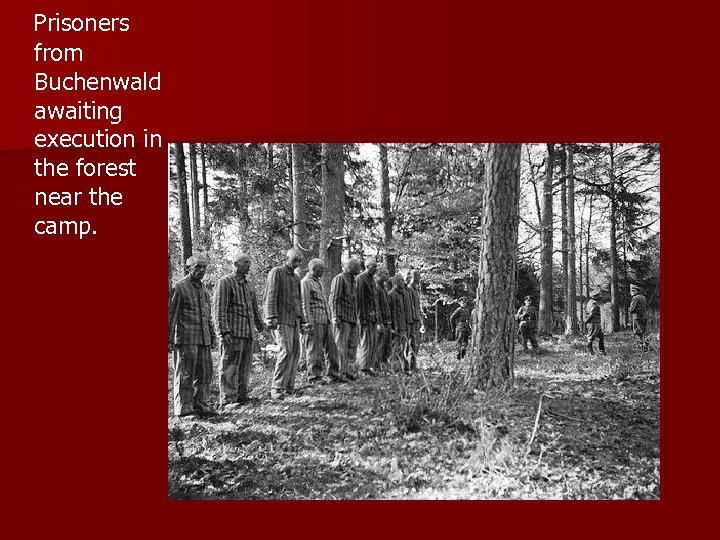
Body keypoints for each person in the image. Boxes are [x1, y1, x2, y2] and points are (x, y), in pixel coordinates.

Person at [212, 252, 266, 410]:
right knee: (230, 366)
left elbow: (254, 309)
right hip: (232, 333)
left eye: (249, 262)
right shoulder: (225, 282)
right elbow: (219, 309)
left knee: (245, 366)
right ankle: (228, 399)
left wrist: (261, 328)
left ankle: (242, 396)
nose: (249, 265)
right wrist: (223, 332)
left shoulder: (249, 284)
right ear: (235, 264)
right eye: (246, 262)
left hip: (248, 333)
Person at [168, 254, 217, 417]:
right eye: (197, 267)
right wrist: (168, 339)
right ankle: (184, 409)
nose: (201, 270)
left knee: (205, 373)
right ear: (188, 268)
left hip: (203, 339)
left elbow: (207, 315)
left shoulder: (203, 289)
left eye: (204, 267)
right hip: (185, 339)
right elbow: (170, 315)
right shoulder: (179, 287)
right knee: (185, 374)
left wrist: (212, 336)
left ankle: (200, 405)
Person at [264, 249, 305, 399]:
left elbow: (299, 301)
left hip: (294, 320)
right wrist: (270, 316)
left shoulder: (296, 277)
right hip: (280, 320)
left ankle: (289, 387)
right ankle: (276, 388)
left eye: (299, 261)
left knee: (295, 352)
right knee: (286, 351)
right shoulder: (277, 272)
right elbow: (270, 295)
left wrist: (303, 321)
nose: (297, 264)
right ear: (286, 259)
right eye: (294, 260)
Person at [301, 258, 344, 384]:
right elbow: (304, 303)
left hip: (325, 320)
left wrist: (329, 317)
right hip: (314, 321)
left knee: (332, 349)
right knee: (314, 350)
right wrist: (308, 323)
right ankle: (314, 377)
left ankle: (334, 375)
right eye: (321, 269)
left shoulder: (318, 282)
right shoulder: (305, 282)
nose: (323, 271)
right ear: (313, 269)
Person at [329, 258, 362, 381]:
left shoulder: (353, 281)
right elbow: (334, 298)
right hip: (342, 319)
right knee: (341, 347)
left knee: (352, 346)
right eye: (357, 266)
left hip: (352, 318)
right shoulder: (340, 278)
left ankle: (349, 371)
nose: (359, 269)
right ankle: (339, 373)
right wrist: (335, 316)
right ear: (350, 267)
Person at [356, 257, 379, 377]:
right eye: (373, 266)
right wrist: (361, 317)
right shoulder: (361, 278)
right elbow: (359, 299)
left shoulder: (372, 280)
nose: (375, 269)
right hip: (365, 317)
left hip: (373, 317)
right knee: (365, 342)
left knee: (372, 343)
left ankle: (369, 366)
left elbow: (374, 300)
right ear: (367, 266)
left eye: (376, 266)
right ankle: (363, 368)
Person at [387, 274, 408, 372]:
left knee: (401, 348)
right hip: (396, 327)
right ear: (395, 282)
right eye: (401, 281)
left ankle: (399, 369)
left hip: (403, 326)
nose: (403, 283)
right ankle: (394, 369)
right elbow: (391, 312)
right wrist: (393, 326)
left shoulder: (402, 294)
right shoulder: (391, 294)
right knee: (395, 349)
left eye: (403, 281)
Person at [373, 266, 392, 372]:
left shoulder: (383, 288)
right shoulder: (376, 287)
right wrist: (379, 322)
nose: (388, 276)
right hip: (381, 322)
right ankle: (376, 366)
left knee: (386, 346)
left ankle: (383, 366)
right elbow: (377, 306)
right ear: (380, 275)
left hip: (386, 322)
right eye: (386, 274)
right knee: (379, 346)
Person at [406, 269, 425, 370]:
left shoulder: (416, 289)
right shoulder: (409, 289)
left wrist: (421, 320)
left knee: (416, 343)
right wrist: (413, 318)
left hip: (417, 319)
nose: (418, 278)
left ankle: (413, 365)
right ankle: (409, 366)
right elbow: (411, 306)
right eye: (416, 276)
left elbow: (418, 306)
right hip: (412, 320)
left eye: (419, 276)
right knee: (412, 344)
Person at [585, 288, 606, 355]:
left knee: (601, 336)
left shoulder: (592, 302)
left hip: (596, 322)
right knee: (591, 337)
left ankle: (601, 351)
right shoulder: (593, 303)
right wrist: (586, 321)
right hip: (593, 322)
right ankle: (590, 351)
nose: (600, 296)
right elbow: (591, 313)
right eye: (598, 295)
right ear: (595, 296)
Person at [629, 284, 648, 351]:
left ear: (636, 291)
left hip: (637, 317)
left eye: (633, 291)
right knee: (643, 331)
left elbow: (631, 309)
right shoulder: (643, 297)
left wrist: (630, 309)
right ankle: (645, 346)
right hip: (644, 316)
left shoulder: (635, 298)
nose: (631, 292)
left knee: (637, 332)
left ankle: (639, 348)